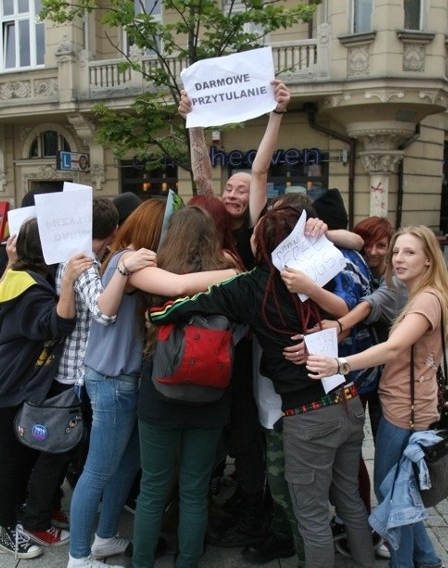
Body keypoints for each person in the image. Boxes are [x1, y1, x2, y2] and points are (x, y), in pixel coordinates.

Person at [149, 205, 374, 568]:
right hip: (347, 399)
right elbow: (359, 287)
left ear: (262, 243)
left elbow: (189, 304)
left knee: (311, 514)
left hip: (308, 414)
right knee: (348, 497)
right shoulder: (323, 273)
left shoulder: (252, 285)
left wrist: (156, 313)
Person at [67, 199, 238, 568]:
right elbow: (178, 286)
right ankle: (79, 557)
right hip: (119, 380)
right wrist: (233, 274)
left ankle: (107, 539)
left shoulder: (143, 262)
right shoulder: (130, 263)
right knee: (105, 469)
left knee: (133, 471)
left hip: (143, 385)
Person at [180, 80, 292, 551]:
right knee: (223, 426)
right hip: (212, 344)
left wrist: (278, 114)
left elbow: (260, 173)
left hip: (248, 351)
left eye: (242, 189)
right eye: (229, 186)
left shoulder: (257, 234)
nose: (231, 193)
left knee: (249, 428)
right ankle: (228, 495)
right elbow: (201, 177)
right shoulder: (212, 221)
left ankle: (254, 503)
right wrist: (194, 123)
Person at [306, 225, 448, 568]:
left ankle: (405, 564)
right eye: (397, 252)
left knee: (394, 498)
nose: (398, 259)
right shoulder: (413, 291)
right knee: (403, 494)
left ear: (429, 261)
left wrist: (339, 364)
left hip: (407, 413)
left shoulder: (427, 300)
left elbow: (394, 347)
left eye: (409, 252)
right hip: (408, 407)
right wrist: (341, 325)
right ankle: (428, 561)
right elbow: (375, 302)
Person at [19, 199, 156, 548]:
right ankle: (48, 525)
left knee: (77, 455)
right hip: (76, 374)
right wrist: (123, 272)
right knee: (63, 454)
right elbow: (102, 312)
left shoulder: (83, 259)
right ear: (112, 232)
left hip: (81, 371)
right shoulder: (83, 263)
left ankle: (67, 515)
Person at [133, 205, 243, 568]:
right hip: (211, 396)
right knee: (194, 490)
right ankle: (188, 561)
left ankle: (143, 562)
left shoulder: (154, 273)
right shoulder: (228, 279)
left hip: (159, 394)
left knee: (152, 489)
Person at [0, 218, 91, 559]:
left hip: (15, 380)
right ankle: (7, 527)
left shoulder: (19, 274)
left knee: (28, 449)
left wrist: (13, 261)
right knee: (13, 457)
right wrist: (70, 280)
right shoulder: (30, 288)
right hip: (12, 385)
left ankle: (32, 511)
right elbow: (59, 323)